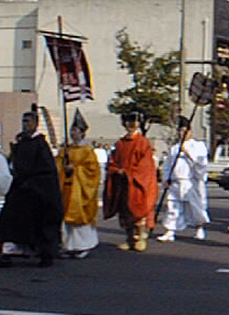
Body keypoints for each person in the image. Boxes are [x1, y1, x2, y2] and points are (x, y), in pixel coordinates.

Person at [0, 106, 63, 268]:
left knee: (41, 223)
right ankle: (9, 252)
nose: (24, 125)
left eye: (27, 121)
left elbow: (47, 170)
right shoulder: (22, 142)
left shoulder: (40, 144)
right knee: (10, 220)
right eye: (23, 121)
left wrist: (33, 184)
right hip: (20, 189)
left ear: (35, 123)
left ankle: (45, 254)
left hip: (37, 191)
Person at [103, 111, 158, 252]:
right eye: (128, 122)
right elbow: (113, 161)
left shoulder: (143, 143)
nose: (131, 125)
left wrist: (129, 173)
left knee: (137, 210)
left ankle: (139, 237)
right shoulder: (120, 143)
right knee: (125, 211)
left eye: (134, 122)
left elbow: (145, 165)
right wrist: (116, 170)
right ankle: (129, 238)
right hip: (123, 183)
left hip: (136, 182)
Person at [156, 116, 210, 242]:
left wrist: (187, 153)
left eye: (185, 131)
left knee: (195, 206)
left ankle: (199, 228)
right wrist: (166, 178)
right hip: (176, 181)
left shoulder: (198, 146)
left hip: (191, 181)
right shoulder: (174, 148)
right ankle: (170, 231)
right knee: (173, 206)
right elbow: (168, 165)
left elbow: (201, 164)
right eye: (180, 131)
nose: (182, 134)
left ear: (190, 132)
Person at [56, 109, 101, 258]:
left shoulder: (87, 151)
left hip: (80, 188)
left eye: (75, 130)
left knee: (80, 218)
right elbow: (58, 165)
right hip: (67, 187)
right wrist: (63, 166)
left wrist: (75, 169)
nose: (72, 133)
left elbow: (92, 171)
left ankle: (83, 246)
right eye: (71, 130)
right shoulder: (66, 149)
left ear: (82, 133)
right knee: (66, 218)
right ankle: (69, 246)